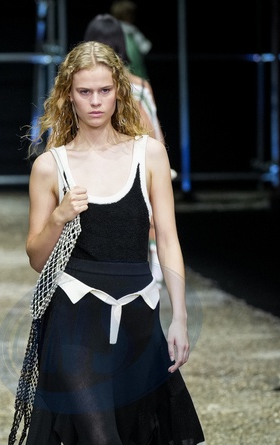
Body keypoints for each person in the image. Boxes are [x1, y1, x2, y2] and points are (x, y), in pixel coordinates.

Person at [2, 40, 209, 445]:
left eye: (104, 90)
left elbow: (167, 239)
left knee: (121, 435)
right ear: (68, 96)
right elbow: (35, 256)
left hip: (138, 317)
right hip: (74, 319)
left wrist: (179, 316)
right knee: (97, 437)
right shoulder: (52, 166)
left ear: (119, 91)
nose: (95, 101)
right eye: (83, 91)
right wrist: (59, 217)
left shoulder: (148, 154)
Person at [83, 12, 175, 285]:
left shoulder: (79, 87)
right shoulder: (139, 87)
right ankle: (154, 266)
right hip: (133, 163)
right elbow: (154, 132)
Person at [110, 0, 151, 80]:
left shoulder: (112, 30)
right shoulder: (132, 31)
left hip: (130, 73)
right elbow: (145, 47)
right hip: (128, 72)